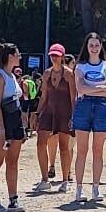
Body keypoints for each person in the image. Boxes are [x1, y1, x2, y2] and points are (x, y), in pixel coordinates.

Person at [70, 32, 106, 205]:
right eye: (91, 45)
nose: (94, 48)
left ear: (100, 47)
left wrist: (94, 89)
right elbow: (80, 88)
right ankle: (78, 188)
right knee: (82, 150)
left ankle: (96, 187)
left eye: (97, 45)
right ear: (87, 46)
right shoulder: (80, 66)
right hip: (83, 106)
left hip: (102, 107)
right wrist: (102, 88)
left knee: (98, 150)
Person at [0, 41, 29, 212]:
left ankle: (13, 199)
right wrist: (2, 131)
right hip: (3, 123)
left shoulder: (12, 76)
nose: (20, 57)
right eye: (17, 54)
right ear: (10, 56)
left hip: (15, 122)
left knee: (13, 162)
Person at [34, 43, 75, 191]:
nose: (54, 57)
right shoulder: (46, 74)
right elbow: (44, 96)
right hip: (49, 111)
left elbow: (73, 98)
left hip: (65, 112)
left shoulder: (69, 74)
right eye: (52, 55)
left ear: (62, 56)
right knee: (40, 143)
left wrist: (74, 116)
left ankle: (65, 181)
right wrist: (37, 113)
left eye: (57, 55)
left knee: (64, 147)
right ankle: (45, 179)